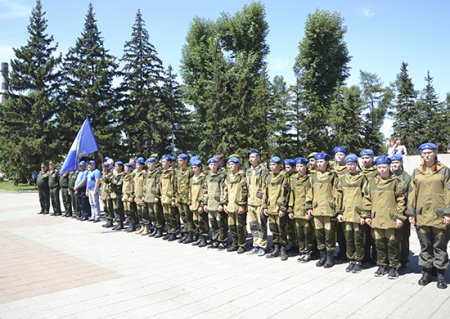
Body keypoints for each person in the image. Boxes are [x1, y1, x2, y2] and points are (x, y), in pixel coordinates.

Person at [407, 143, 450, 289]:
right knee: (425, 245)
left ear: (435, 153)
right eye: (424, 153)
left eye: (430, 152)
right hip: (422, 215)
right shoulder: (416, 172)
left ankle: (441, 274)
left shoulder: (444, 170)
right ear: (421, 155)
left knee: (440, 246)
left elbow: (448, 192)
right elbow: (412, 194)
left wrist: (448, 213)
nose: (427, 155)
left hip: (439, 215)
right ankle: (426, 272)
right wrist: (411, 213)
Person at [363, 156, 406, 280]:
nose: (382, 170)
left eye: (384, 167)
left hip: (391, 219)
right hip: (376, 219)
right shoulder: (371, 182)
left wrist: (399, 217)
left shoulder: (396, 182)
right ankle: (382, 265)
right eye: (379, 167)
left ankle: (394, 266)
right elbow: (367, 200)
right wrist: (367, 215)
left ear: (389, 167)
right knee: (379, 244)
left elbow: (401, 201)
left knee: (393, 244)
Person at [336, 154, 369, 273]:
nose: (350, 167)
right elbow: (338, 196)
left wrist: (364, 214)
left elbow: (367, 196)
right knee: (348, 238)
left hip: (358, 214)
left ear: (356, 165)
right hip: (346, 213)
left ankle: (359, 261)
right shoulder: (343, 178)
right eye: (348, 164)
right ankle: (351, 259)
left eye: (352, 164)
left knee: (358, 238)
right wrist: (339, 212)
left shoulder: (362, 178)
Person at [306, 152, 338, 268]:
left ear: (327, 162)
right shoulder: (313, 177)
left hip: (329, 209)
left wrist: (335, 206)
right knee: (319, 234)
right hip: (317, 209)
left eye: (321, 162)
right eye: (317, 162)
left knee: (329, 234)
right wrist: (308, 206)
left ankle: (330, 257)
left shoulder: (333, 175)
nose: (319, 164)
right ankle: (322, 255)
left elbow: (337, 192)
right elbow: (309, 192)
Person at [264, 156, 290, 261]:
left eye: (274, 165)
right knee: (273, 229)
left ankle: (283, 249)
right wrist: (264, 206)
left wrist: (283, 208)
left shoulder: (284, 176)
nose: (272, 167)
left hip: (279, 208)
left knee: (281, 229)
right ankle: (276, 248)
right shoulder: (268, 177)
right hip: (271, 207)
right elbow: (265, 192)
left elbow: (286, 193)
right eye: (270, 165)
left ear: (279, 165)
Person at [288, 157, 313, 262]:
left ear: (306, 166)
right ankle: (302, 251)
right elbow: (291, 194)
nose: (299, 168)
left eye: (301, 166)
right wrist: (290, 209)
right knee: (300, 233)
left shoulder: (310, 178)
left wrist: (309, 209)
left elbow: (312, 194)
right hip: (297, 210)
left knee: (308, 233)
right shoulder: (294, 179)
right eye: (297, 166)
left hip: (306, 210)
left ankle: (309, 252)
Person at [220, 157, 248, 254]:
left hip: (239, 205)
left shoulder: (242, 175)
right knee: (232, 226)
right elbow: (225, 190)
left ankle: (242, 244)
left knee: (240, 226)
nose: (230, 166)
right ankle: (235, 243)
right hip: (230, 205)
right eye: (229, 164)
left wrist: (242, 205)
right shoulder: (228, 176)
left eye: (232, 164)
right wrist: (224, 203)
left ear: (237, 165)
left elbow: (244, 191)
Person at [246, 149, 269, 256]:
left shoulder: (264, 170)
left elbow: (266, 187)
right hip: (251, 202)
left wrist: (265, 204)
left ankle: (263, 245)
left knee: (262, 225)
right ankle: (255, 244)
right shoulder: (248, 171)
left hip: (260, 203)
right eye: (250, 157)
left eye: (254, 157)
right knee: (253, 225)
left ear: (259, 157)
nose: (252, 159)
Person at [390, 154, 412, 268]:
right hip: (390, 213)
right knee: (393, 238)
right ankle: (393, 259)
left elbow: (411, 195)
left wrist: (409, 213)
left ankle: (403, 259)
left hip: (403, 213)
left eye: (397, 163)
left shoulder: (407, 177)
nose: (394, 165)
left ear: (401, 163)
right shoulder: (387, 176)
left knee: (403, 238)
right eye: (392, 163)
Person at [204, 157, 228, 249]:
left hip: (218, 204)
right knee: (213, 223)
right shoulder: (207, 177)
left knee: (221, 223)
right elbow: (205, 190)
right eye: (211, 165)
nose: (213, 166)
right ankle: (215, 239)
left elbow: (223, 190)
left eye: (214, 164)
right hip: (210, 204)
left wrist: (222, 204)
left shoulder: (221, 176)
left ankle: (222, 240)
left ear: (218, 165)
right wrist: (205, 203)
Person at [157, 155, 179, 241]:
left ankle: (174, 232)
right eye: (162, 162)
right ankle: (169, 231)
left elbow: (174, 186)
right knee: (166, 216)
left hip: (170, 198)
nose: (162, 163)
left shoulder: (172, 172)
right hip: (164, 198)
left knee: (172, 216)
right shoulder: (163, 173)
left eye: (164, 161)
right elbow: (161, 186)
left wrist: (173, 198)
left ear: (169, 163)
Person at [188, 158, 208, 247]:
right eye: (192, 167)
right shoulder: (192, 178)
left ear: (200, 167)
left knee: (202, 222)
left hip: (199, 204)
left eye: (195, 167)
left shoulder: (203, 177)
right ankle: (199, 237)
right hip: (193, 203)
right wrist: (190, 202)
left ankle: (204, 238)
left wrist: (202, 204)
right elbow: (190, 191)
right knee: (195, 221)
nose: (193, 169)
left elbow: (204, 192)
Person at [144, 157, 164, 238]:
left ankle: (159, 229)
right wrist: (144, 195)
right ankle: (155, 227)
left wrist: (157, 196)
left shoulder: (157, 173)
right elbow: (145, 185)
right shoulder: (147, 173)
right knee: (151, 214)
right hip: (148, 196)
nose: (149, 165)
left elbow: (158, 185)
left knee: (157, 213)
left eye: (150, 163)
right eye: (148, 164)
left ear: (154, 164)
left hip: (154, 197)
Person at [176, 154, 194, 243]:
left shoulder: (190, 171)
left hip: (187, 198)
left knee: (189, 217)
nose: (179, 162)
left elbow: (191, 186)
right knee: (183, 217)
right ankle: (186, 233)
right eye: (178, 160)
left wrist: (190, 199)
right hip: (180, 198)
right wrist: (176, 197)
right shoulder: (178, 171)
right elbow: (175, 184)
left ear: (186, 160)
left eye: (180, 160)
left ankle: (190, 234)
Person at [134, 157, 149, 235]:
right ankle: (142, 227)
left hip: (142, 196)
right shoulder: (136, 173)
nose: (137, 166)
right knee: (139, 213)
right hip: (137, 195)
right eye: (136, 164)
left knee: (144, 213)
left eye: (138, 165)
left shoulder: (144, 173)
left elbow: (146, 185)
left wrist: (144, 195)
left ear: (142, 165)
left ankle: (146, 228)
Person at [122, 162, 138, 232]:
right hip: (125, 196)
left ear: (130, 168)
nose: (125, 169)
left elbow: (133, 186)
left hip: (129, 196)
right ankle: (130, 224)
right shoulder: (125, 176)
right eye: (125, 168)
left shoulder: (132, 176)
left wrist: (132, 196)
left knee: (131, 211)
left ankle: (133, 225)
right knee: (127, 212)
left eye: (126, 168)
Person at [110, 161, 125, 230]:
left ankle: (121, 223)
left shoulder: (122, 174)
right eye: (115, 166)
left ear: (120, 167)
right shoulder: (115, 175)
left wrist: (112, 184)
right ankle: (118, 222)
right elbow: (108, 181)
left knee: (119, 209)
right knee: (115, 209)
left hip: (119, 193)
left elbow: (119, 184)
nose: (115, 167)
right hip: (114, 193)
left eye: (116, 166)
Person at [100, 162, 114, 228]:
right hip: (103, 193)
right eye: (102, 167)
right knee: (105, 207)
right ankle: (107, 220)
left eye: (104, 167)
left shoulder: (110, 173)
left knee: (109, 207)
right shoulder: (103, 174)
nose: (103, 169)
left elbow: (107, 181)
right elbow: (102, 184)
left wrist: (105, 174)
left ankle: (110, 221)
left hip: (108, 193)